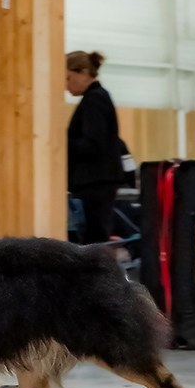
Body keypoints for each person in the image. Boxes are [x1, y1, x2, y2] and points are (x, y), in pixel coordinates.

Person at [65, 50, 124, 245]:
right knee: (94, 238)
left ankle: (97, 275)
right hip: (98, 181)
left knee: (93, 240)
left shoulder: (94, 100)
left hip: (95, 183)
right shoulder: (97, 98)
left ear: (83, 73)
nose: (66, 86)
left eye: (68, 78)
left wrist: (60, 143)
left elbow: (92, 145)